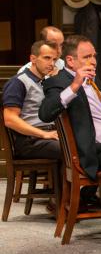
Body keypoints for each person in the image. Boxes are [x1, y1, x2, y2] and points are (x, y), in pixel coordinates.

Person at [38, 35, 101, 204]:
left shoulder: (93, 81)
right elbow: (45, 113)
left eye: (94, 56)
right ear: (70, 61)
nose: (93, 61)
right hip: (96, 151)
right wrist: (75, 85)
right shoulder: (59, 82)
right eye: (87, 57)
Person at [3, 41, 62, 197]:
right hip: (29, 141)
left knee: (87, 145)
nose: (52, 63)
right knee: (71, 151)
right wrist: (43, 134)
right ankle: (63, 201)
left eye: (54, 59)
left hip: (48, 136)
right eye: (47, 58)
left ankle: (76, 197)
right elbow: (9, 119)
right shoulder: (18, 82)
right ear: (33, 59)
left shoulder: (46, 82)